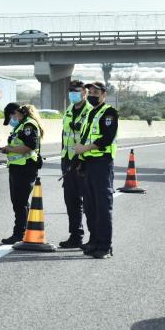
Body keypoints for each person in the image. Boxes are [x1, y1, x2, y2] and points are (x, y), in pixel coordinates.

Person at [73, 82, 118, 259]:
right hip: (89, 163)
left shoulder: (109, 112)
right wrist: (80, 160)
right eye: (90, 91)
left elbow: (107, 138)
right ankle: (94, 241)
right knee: (90, 206)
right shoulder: (91, 112)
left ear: (104, 94)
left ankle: (105, 246)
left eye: (95, 92)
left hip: (102, 163)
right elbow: (85, 136)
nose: (92, 94)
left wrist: (84, 149)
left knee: (102, 206)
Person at [0, 103, 45, 245]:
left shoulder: (29, 125)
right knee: (18, 202)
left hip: (25, 168)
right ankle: (24, 231)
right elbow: (17, 145)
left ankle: (19, 234)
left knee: (20, 202)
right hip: (17, 168)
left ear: (16, 112)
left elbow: (29, 146)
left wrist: (7, 150)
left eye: (11, 116)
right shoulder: (20, 125)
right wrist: (4, 149)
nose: (11, 120)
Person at [58, 80, 92, 249]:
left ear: (84, 93)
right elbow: (64, 135)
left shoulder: (90, 112)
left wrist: (81, 159)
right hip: (68, 161)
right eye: (71, 91)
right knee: (71, 200)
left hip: (84, 162)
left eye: (76, 91)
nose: (73, 94)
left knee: (90, 201)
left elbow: (90, 138)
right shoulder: (69, 110)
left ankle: (94, 238)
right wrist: (64, 158)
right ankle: (76, 235)